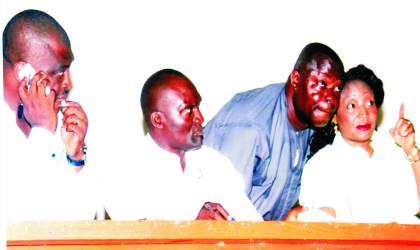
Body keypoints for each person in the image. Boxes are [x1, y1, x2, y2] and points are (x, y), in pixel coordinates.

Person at [203, 43, 345, 220]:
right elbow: (224, 214)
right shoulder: (251, 125)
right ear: (295, 79)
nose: (330, 99)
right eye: (321, 84)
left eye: (337, 88)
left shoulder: (313, 125)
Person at [104, 69, 263, 221]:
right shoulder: (125, 171)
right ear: (158, 120)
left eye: (198, 107)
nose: (200, 118)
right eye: (188, 110)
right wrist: (195, 228)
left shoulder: (215, 163)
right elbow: (138, 239)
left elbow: (253, 229)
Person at [1, 9, 99, 220]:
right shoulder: (45, 123)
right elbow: (15, 220)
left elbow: (81, 223)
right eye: (58, 71)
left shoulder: (55, 122)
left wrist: (76, 159)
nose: (67, 83)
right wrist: (42, 130)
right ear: (23, 73)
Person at [299, 65, 420, 223]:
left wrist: (411, 149)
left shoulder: (394, 151)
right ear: (334, 116)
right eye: (352, 105)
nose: (364, 113)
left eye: (369, 102)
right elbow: (324, 224)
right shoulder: (321, 164)